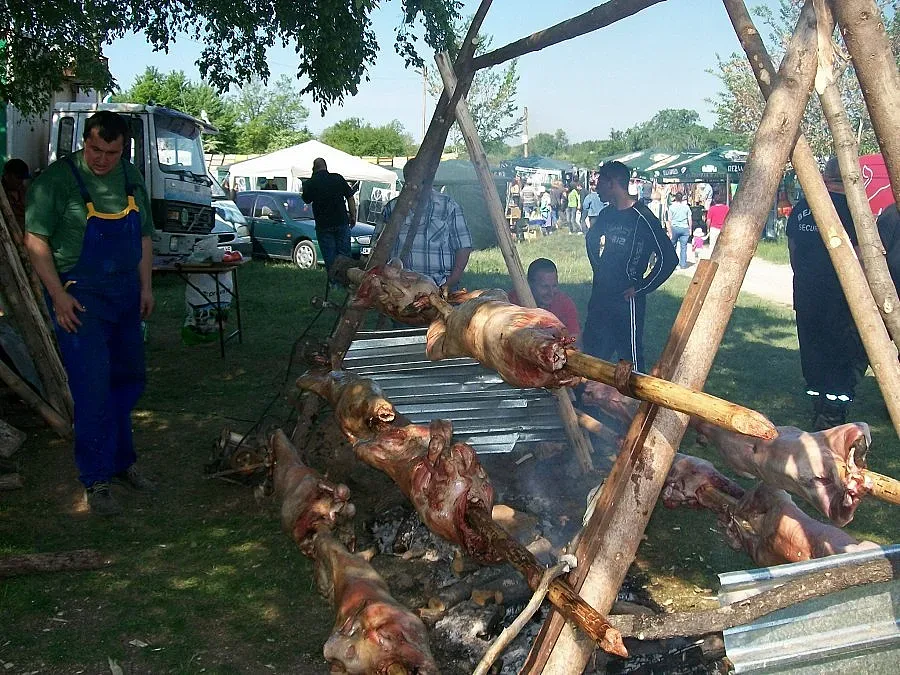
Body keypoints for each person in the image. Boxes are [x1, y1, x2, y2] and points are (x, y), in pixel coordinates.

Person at [24, 110, 156, 515]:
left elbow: (145, 236)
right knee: (93, 386)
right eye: (95, 148)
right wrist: (57, 297)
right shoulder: (56, 182)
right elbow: (35, 241)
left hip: (125, 295)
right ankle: (95, 478)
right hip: (79, 299)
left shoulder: (131, 177)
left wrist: (146, 286)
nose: (101, 159)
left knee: (127, 380)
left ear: (123, 149)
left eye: (111, 152)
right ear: (84, 141)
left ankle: (121, 463)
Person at [787, 157, 867, 430]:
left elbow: (794, 253)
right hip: (842, 299)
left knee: (813, 351)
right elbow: (862, 256)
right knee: (843, 355)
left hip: (807, 295)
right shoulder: (854, 212)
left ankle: (819, 404)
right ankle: (834, 412)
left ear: (825, 176)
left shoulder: (801, 209)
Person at [583, 161, 677, 372]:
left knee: (630, 361)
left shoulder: (643, 218)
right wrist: (598, 268)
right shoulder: (607, 214)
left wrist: (641, 288)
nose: (597, 188)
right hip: (600, 297)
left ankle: (634, 403)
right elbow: (591, 239)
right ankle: (587, 401)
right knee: (592, 353)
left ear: (613, 183)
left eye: (600, 182)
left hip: (627, 301)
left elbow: (669, 258)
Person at [380, 157, 473, 292]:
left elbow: (464, 246)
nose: (417, 187)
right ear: (406, 181)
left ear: (430, 181)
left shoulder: (448, 206)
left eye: (422, 182)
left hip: (438, 284)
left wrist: (451, 281)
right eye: (413, 181)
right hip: (401, 286)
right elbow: (379, 245)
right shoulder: (392, 208)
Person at [301, 157, 357, 274]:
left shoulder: (311, 183)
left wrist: (312, 179)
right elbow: (350, 197)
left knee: (330, 256)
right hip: (341, 222)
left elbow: (306, 199)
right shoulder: (337, 178)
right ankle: (347, 280)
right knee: (345, 255)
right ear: (326, 166)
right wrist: (353, 215)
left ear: (314, 168)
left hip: (324, 225)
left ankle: (333, 283)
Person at [509, 258, 580, 341]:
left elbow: (575, 340)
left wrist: (559, 333)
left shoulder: (565, 304)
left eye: (554, 286)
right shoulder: (513, 303)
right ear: (529, 285)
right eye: (545, 287)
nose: (551, 293)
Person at [1, 158, 30, 233]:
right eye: (18, 177)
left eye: (23, 178)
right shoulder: (2, 193)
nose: (21, 181)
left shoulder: (24, 191)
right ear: (7, 175)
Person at [667, 192, 692, 269]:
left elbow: (669, 220)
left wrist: (669, 230)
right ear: (682, 198)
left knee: (672, 246)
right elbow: (689, 219)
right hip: (684, 228)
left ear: (675, 198)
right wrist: (690, 228)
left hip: (674, 227)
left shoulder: (671, 207)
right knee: (683, 247)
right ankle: (683, 264)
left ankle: (672, 263)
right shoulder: (686, 207)